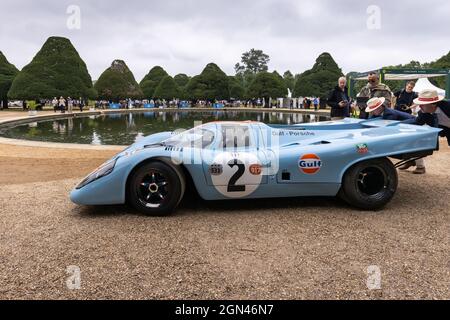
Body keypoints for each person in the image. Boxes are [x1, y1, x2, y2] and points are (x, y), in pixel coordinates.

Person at [400, 89, 450, 174]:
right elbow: (416, 122)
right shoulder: (424, 113)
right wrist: (398, 124)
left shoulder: (448, 105)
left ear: (433, 104)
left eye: (422, 105)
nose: (420, 107)